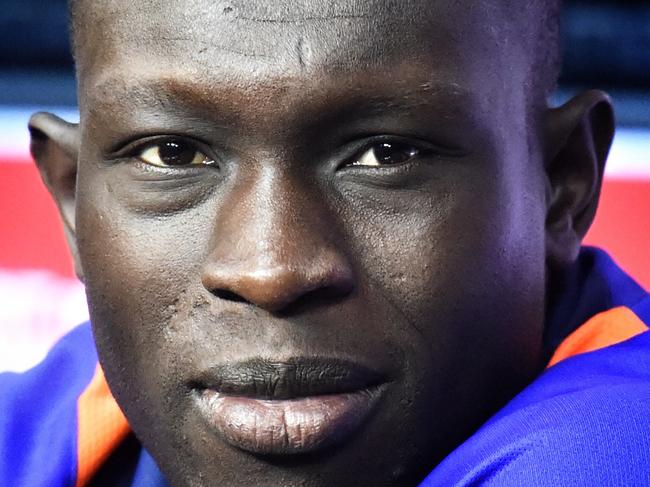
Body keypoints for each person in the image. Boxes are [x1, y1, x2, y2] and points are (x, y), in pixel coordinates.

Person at [1, 0, 649, 485]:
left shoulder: (607, 451)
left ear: (562, 185)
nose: (269, 271)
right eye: (173, 154)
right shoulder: (64, 412)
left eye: (385, 153)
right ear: (72, 198)